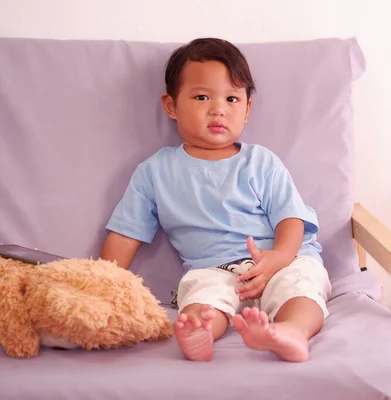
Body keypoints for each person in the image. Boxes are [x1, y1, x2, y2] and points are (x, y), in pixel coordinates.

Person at [100, 38, 332, 363]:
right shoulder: (155, 171)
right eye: (202, 96)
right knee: (201, 293)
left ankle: (292, 330)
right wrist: (102, 285)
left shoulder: (261, 162)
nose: (218, 108)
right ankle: (200, 331)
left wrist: (278, 257)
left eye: (232, 98)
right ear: (171, 105)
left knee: (301, 285)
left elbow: (290, 218)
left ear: (247, 109)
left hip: (280, 261)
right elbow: (125, 235)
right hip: (215, 269)